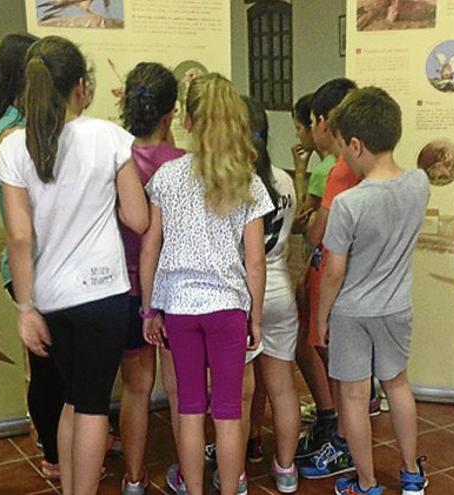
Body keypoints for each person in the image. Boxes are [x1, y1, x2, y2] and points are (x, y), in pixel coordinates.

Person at [0, 36, 148, 495]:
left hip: (51, 298)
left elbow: (20, 236)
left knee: (69, 402)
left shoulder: (14, 147)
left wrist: (25, 309)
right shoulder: (108, 136)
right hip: (104, 296)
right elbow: (137, 218)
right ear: (81, 85)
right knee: (93, 404)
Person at [140, 73, 273, 495]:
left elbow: (151, 249)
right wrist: (256, 316)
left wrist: (149, 308)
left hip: (179, 307)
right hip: (228, 308)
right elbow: (255, 261)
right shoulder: (246, 180)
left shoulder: (166, 177)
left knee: (191, 410)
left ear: (188, 120)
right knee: (230, 412)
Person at [317, 87, 429, 495]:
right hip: (396, 307)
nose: (342, 155)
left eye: (343, 147)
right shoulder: (419, 184)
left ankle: (365, 484)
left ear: (356, 144)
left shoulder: (349, 204)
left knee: (353, 395)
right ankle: (411, 473)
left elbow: (334, 271)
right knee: (398, 384)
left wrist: (320, 316)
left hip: (351, 312)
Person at [0, 32, 66, 481]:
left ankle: (63, 439)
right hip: (32, 264)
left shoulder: (9, 124)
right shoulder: (14, 133)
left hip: (39, 262)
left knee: (52, 366)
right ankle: (55, 452)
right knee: (48, 368)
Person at [115, 61, 186, 495]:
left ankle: (134, 479)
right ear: (170, 114)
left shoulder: (115, 159)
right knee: (181, 392)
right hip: (174, 292)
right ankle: (187, 474)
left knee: (136, 389)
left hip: (125, 288)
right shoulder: (183, 164)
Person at [298, 78, 360, 480]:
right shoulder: (366, 166)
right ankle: (343, 435)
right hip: (359, 280)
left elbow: (319, 234)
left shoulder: (338, 172)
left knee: (338, 366)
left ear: (323, 121)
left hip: (334, 280)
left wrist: (307, 226)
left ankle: (342, 444)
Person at [242, 96, 301, 493]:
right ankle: (286, 470)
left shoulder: (235, 183)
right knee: (283, 388)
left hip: (246, 294)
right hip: (281, 288)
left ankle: (237, 472)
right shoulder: (284, 180)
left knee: (239, 393)